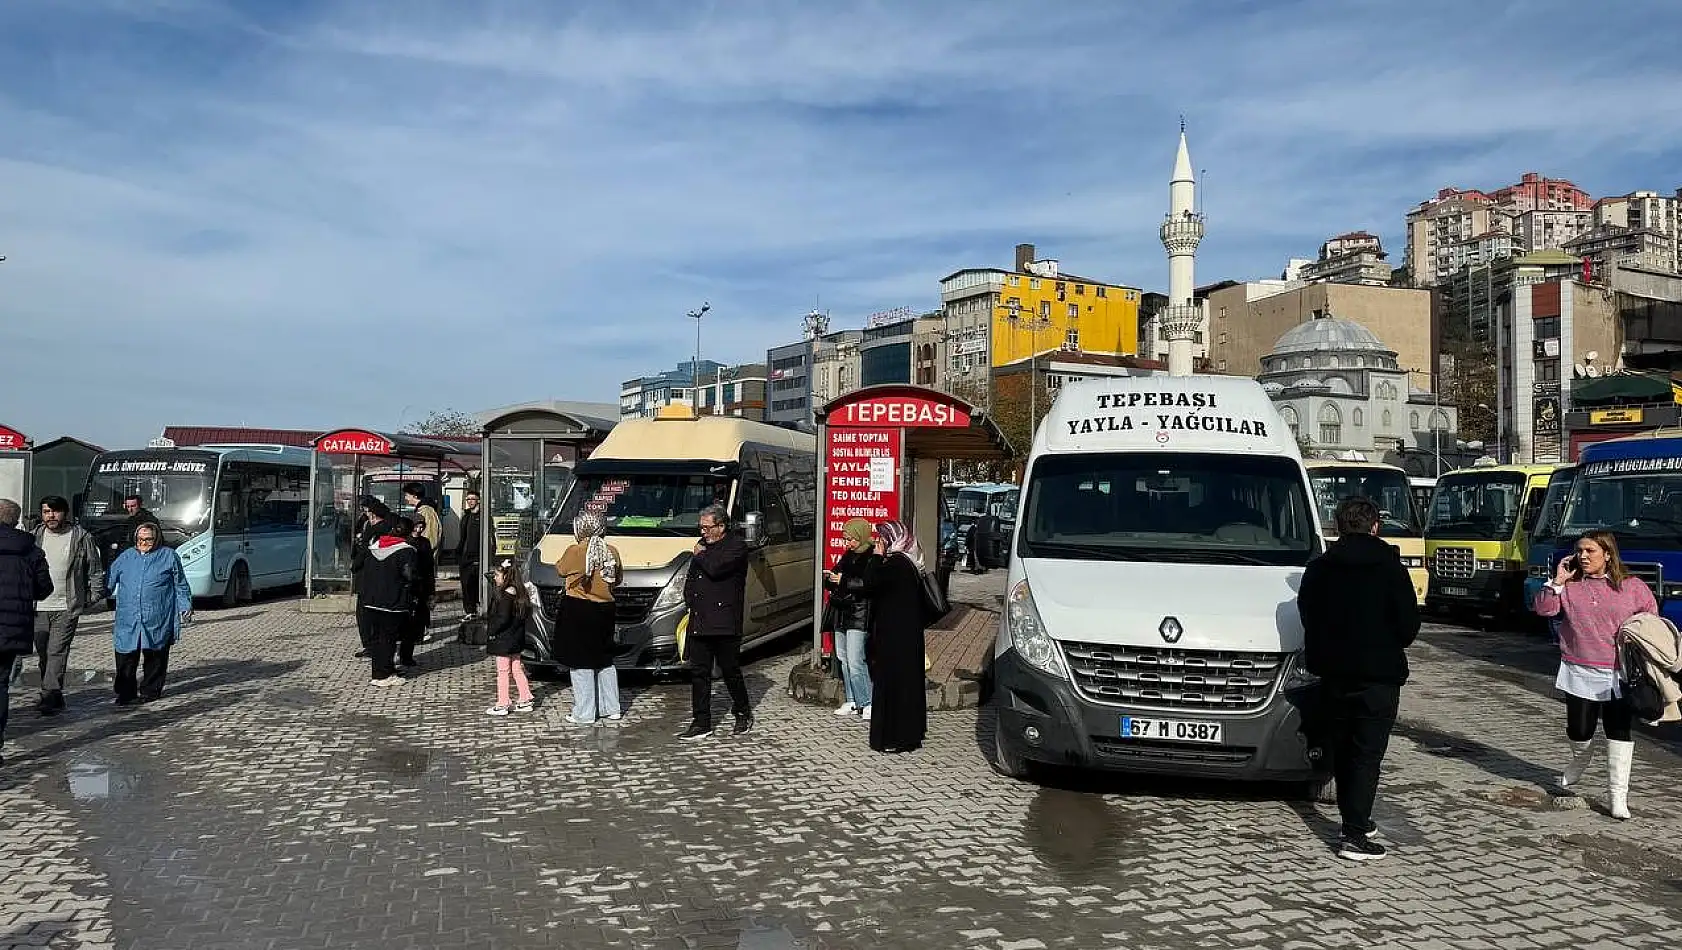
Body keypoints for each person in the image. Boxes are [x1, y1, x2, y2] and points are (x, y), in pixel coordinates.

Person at [1296, 496, 1420, 861]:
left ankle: (1357, 821)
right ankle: (1353, 833)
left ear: (1337, 527)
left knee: (1343, 748)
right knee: (1366, 755)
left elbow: (1308, 614)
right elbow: (1408, 626)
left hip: (1333, 673)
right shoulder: (1391, 569)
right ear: (1376, 526)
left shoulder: (1319, 568)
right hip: (1378, 677)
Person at [1534, 529, 1657, 821]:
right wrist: (1558, 582)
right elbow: (1544, 609)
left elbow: (1650, 618)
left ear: (1608, 554)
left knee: (1619, 732)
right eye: (1579, 551)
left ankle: (1618, 796)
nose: (1583, 556)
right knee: (1579, 730)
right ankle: (1580, 758)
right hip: (1579, 668)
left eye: (1590, 551)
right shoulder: (1571, 585)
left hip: (1619, 672)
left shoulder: (1633, 586)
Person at [680, 504, 752, 740]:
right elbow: (692, 579)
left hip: (724, 620)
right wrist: (689, 599)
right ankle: (701, 721)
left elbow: (716, 569)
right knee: (699, 672)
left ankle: (742, 710)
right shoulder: (702, 549)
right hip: (700, 619)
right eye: (700, 527)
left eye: (707, 527)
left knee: (730, 670)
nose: (703, 532)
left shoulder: (736, 547)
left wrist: (700, 555)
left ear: (721, 526)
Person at [32, 496, 107, 715]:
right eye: (46, 512)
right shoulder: (35, 536)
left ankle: (48, 694)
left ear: (64, 513)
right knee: (44, 653)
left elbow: (93, 567)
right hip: (38, 606)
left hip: (66, 605)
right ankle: (54, 693)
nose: (51, 516)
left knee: (57, 651)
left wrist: (94, 595)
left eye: (55, 512)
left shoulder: (80, 537)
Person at [860, 520, 929, 754]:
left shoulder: (895, 564)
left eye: (881, 540)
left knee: (894, 686)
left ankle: (893, 736)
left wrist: (877, 557)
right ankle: (909, 735)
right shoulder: (907, 563)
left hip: (894, 638)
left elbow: (869, 583)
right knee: (907, 685)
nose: (878, 544)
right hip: (907, 636)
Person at [107, 522, 193, 706]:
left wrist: (185, 606)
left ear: (157, 539)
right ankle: (125, 693)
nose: (144, 542)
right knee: (125, 655)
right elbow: (109, 580)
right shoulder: (126, 556)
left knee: (155, 654)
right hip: (128, 616)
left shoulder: (169, 556)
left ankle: (151, 690)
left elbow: (181, 584)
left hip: (157, 615)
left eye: (148, 539)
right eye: (140, 539)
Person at [555, 511, 623, 726]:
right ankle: (611, 708)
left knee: (580, 660)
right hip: (606, 609)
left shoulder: (576, 551)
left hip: (579, 608)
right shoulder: (611, 551)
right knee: (604, 658)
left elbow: (560, 569)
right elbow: (618, 579)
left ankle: (584, 712)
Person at [0, 499, 53, 764]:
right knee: (0, 685)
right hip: (12, 629)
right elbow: (45, 589)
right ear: (16, 520)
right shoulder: (30, 550)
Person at [822, 518, 878, 720]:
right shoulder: (848, 555)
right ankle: (853, 699)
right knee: (843, 660)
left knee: (856, 660)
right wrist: (831, 577)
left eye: (851, 539)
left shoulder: (872, 556)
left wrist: (842, 580)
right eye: (846, 539)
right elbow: (838, 575)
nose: (848, 543)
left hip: (859, 613)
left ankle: (867, 702)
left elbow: (869, 584)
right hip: (841, 612)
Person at [358, 521, 416, 687]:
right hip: (392, 602)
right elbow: (409, 575)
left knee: (376, 639)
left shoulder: (374, 547)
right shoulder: (406, 551)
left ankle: (380, 671)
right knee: (388, 639)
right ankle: (383, 675)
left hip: (370, 601)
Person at [482, 557, 535, 716]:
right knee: (517, 669)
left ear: (506, 576)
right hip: (515, 639)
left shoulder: (505, 596)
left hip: (503, 641)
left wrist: (491, 630)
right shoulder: (520, 595)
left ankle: (503, 702)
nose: (495, 578)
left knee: (503, 672)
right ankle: (525, 698)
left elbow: (502, 618)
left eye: (497, 575)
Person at [350, 497, 392, 659]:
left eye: (366, 510)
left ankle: (371, 644)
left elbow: (365, 551)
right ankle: (374, 644)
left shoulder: (375, 530)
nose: (365, 513)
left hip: (368, 575)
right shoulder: (387, 526)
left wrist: (354, 566)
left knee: (364, 612)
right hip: (380, 578)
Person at [396, 516, 435, 670]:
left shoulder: (425, 543)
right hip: (408, 587)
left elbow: (430, 568)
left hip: (422, 586)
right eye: (416, 527)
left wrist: (431, 592)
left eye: (421, 527)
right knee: (405, 624)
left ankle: (407, 655)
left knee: (416, 624)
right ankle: (402, 655)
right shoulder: (405, 542)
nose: (419, 530)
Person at [457, 490, 482, 620]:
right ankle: (469, 611)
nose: (470, 501)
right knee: (466, 585)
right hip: (465, 557)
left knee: (475, 585)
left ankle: (477, 609)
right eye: (468, 499)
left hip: (477, 557)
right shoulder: (466, 516)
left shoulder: (483, 516)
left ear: (478, 500)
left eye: (473, 499)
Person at [403, 483, 442, 553]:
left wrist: (422, 551)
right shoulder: (421, 509)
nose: (405, 498)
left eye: (406, 495)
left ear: (414, 496)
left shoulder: (427, 511)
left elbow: (430, 536)